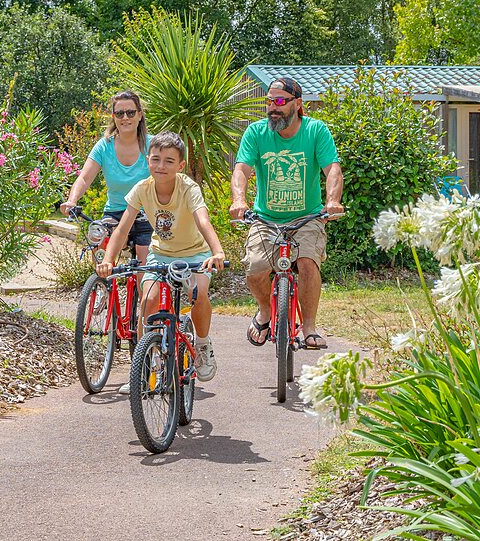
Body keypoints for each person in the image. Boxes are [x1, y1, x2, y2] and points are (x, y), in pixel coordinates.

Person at [99, 132, 227, 381]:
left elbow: (203, 220)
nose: (160, 166)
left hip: (195, 254)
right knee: (148, 300)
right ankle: (145, 362)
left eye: (169, 161)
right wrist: (108, 259)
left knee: (198, 294)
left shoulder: (188, 188)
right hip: (160, 254)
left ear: (180, 166)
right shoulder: (142, 188)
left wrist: (217, 251)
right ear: (147, 160)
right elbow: (123, 228)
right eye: (155, 159)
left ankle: (202, 344)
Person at [230, 77, 343, 351]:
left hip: (308, 218)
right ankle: (266, 313)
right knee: (255, 270)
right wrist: (239, 200)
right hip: (266, 219)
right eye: (269, 102)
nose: (273, 108)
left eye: (280, 102)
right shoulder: (256, 133)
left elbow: (333, 170)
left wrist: (332, 201)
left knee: (307, 263)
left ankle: (310, 327)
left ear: (298, 104)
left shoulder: (316, 131)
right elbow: (242, 170)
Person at [60, 90, 153, 264]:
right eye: (119, 113)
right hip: (115, 213)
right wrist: (72, 201)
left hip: (145, 213)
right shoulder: (104, 146)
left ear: (139, 115)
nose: (125, 117)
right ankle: (103, 289)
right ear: (114, 117)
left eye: (130, 112)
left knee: (145, 268)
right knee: (100, 242)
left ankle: (141, 290)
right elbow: (85, 178)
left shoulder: (153, 146)